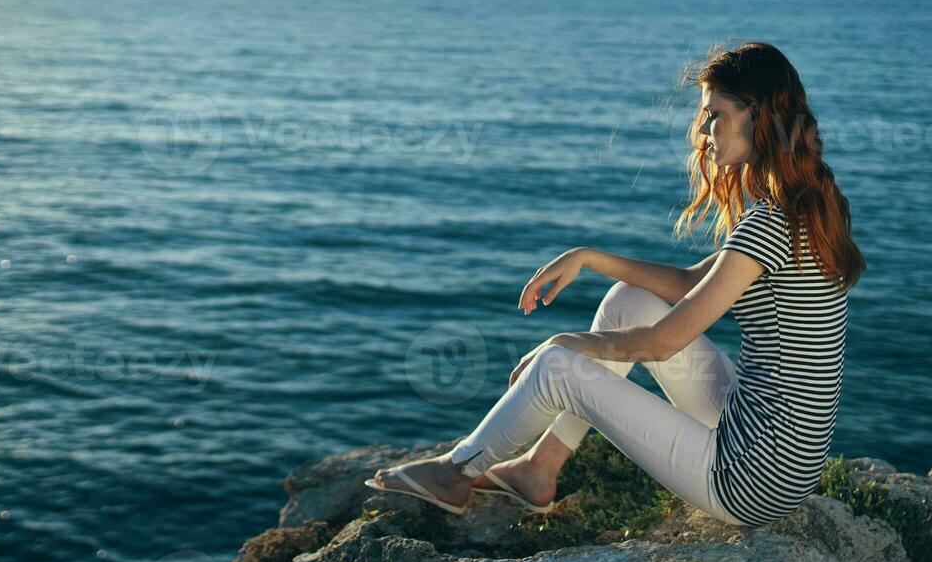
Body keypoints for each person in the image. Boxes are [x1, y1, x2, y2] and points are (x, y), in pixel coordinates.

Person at [367, 40, 865, 526]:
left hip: (750, 479)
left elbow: (664, 343)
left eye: (716, 114)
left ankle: (455, 473)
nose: (704, 130)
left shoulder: (769, 223)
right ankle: (539, 468)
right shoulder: (810, 205)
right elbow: (694, 282)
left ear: (756, 114)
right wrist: (589, 258)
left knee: (561, 366)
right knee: (629, 301)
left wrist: (562, 343)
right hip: (776, 454)